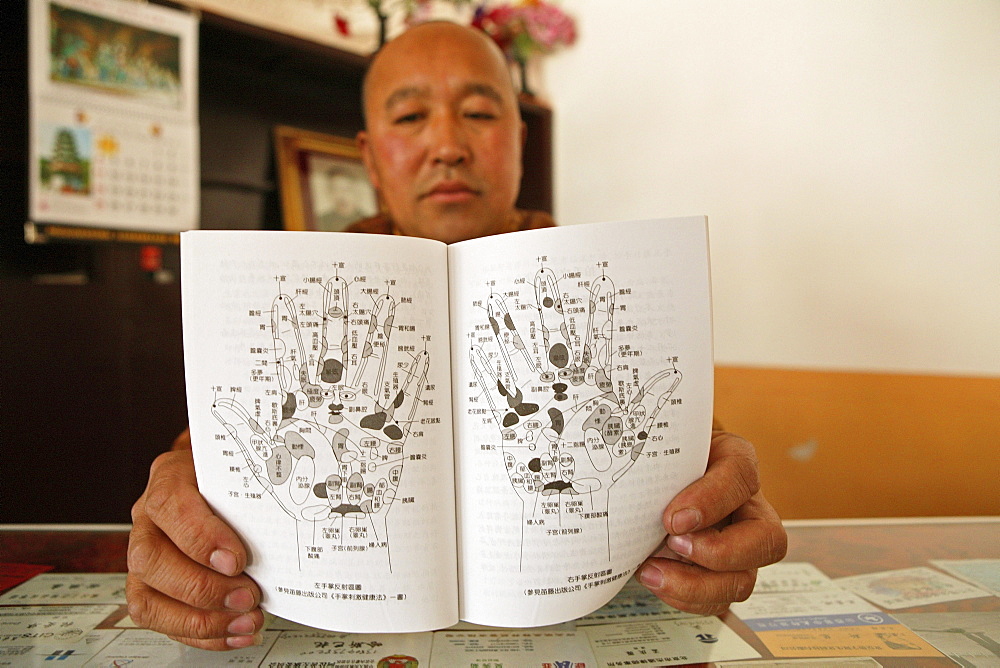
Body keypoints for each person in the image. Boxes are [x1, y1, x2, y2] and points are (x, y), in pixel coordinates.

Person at [126, 21, 786, 651]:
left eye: (478, 112)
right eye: (411, 117)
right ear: (369, 158)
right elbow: (218, 456)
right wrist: (187, 495)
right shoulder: (305, 293)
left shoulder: (594, 287)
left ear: (521, 144)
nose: (448, 145)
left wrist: (714, 496)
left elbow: (680, 454)